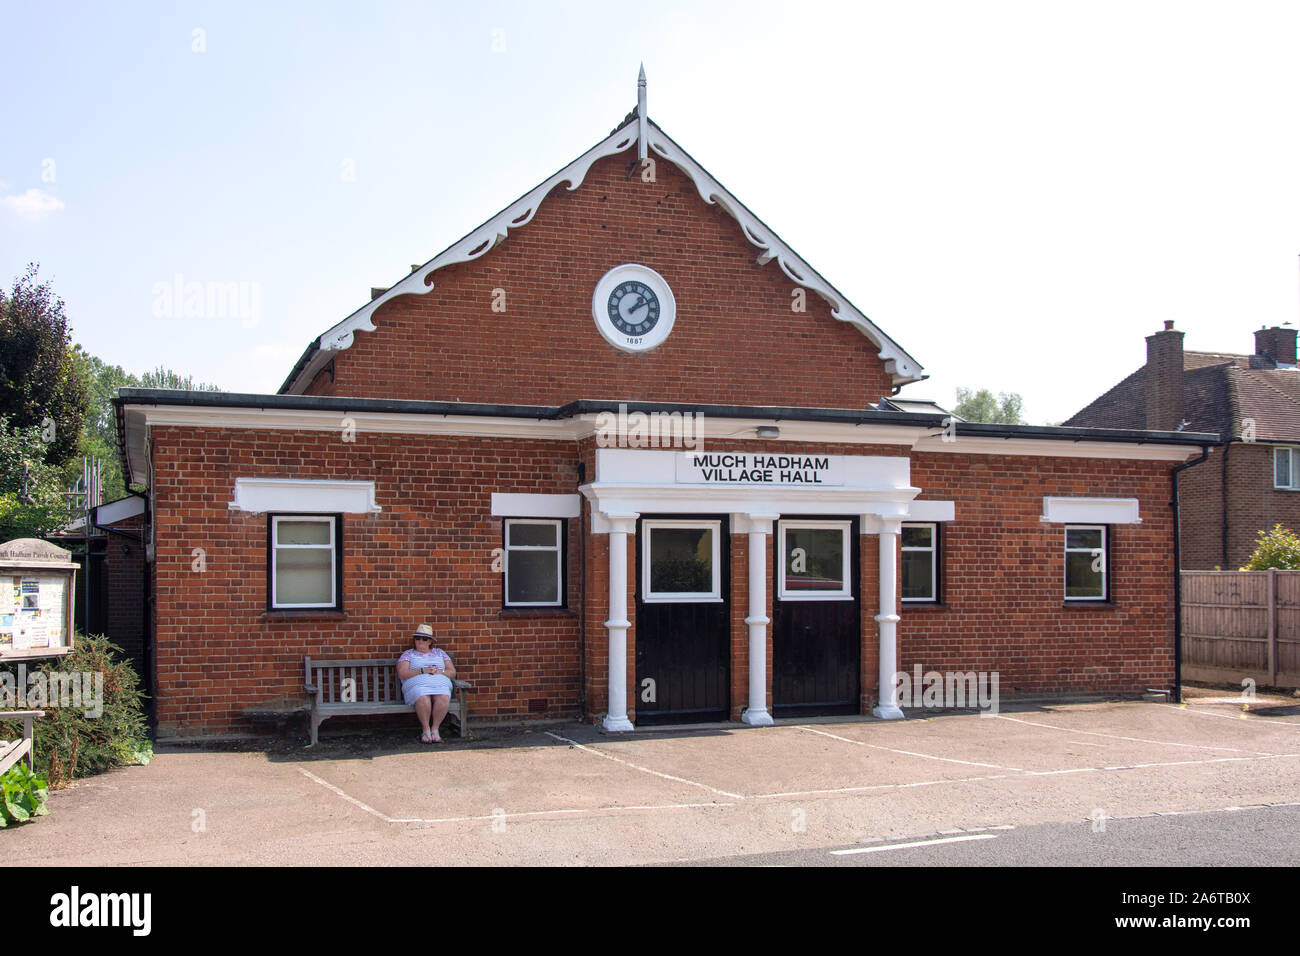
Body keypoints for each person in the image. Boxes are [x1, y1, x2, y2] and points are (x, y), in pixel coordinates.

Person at [396, 623, 457, 743]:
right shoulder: (408, 654)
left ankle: (435, 729)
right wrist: (422, 671)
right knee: (423, 696)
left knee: (444, 696)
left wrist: (441, 672)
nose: (420, 641)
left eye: (424, 639)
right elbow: (402, 673)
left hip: (439, 682)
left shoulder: (439, 653)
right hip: (418, 685)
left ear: (430, 641)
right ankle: (426, 729)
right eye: (417, 638)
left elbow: (452, 672)